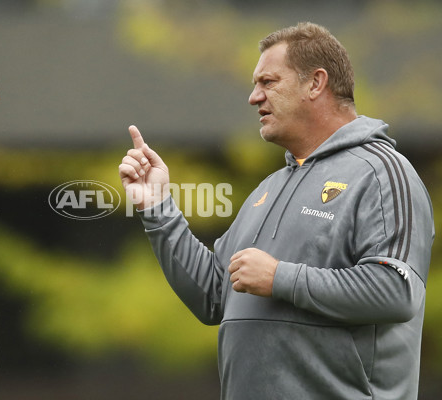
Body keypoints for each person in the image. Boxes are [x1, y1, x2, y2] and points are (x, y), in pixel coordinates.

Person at [119, 22, 434, 399]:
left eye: (268, 82)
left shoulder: (383, 172)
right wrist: (157, 207)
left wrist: (281, 278)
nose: (254, 97)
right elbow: (212, 297)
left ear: (315, 83)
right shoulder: (267, 189)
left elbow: (397, 291)